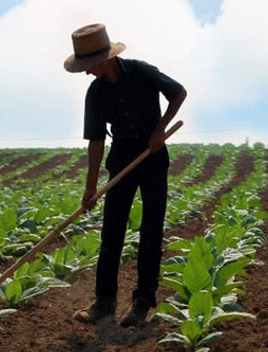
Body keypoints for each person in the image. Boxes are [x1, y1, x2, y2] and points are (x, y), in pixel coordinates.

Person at [63, 23, 186, 327]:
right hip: (121, 159)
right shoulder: (95, 93)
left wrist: (160, 129)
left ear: (104, 59)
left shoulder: (142, 72)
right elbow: (95, 140)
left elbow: (178, 92)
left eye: (88, 66)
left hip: (152, 156)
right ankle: (104, 303)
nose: (86, 72)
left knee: (151, 231)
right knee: (112, 232)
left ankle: (142, 303)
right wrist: (90, 188)